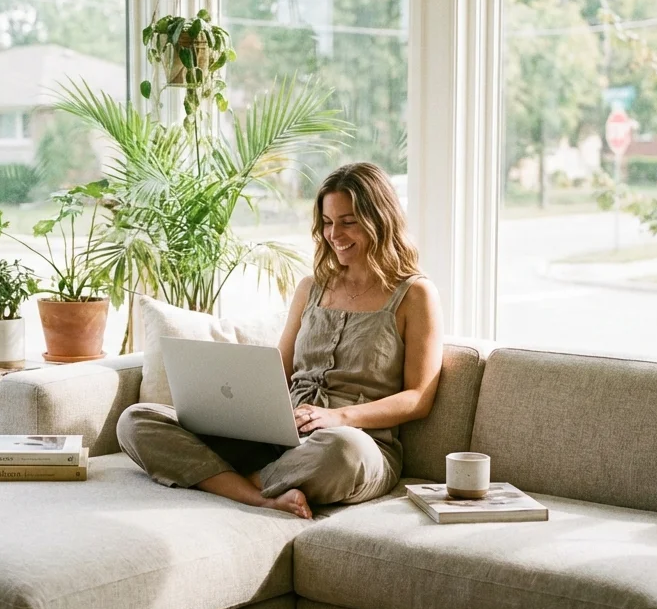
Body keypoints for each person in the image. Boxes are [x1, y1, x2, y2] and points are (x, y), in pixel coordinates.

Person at [116, 162, 444, 518]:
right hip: (277, 437)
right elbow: (279, 369)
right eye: (328, 222)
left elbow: (418, 398)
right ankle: (258, 495)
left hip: (355, 444)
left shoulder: (415, 294)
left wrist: (339, 417)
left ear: (380, 220)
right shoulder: (311, 288)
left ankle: (225, 482)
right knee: (136, 420)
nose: (335, 234)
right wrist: (237, 410)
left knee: (343, 452)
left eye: (348, 222)